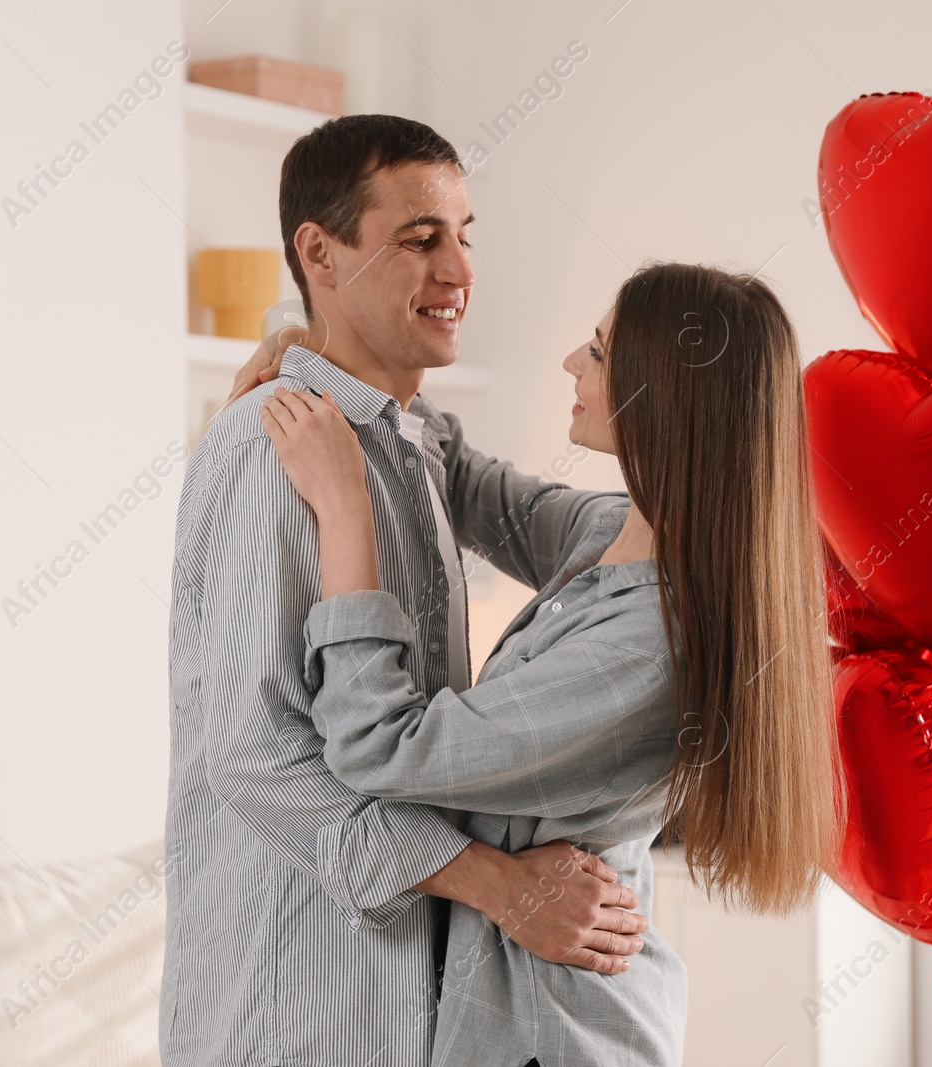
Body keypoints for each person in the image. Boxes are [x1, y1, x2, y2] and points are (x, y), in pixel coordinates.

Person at [254, 261, 847, 1066]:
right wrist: (329, 353)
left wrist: (345, 507)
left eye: (599, 353)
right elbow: (470, 484)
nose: (572, 361)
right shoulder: (613, 531)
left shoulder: (647, 647)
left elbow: (381, 747)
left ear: (660, 398)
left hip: (554, 1032)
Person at [160, 114, 650, 1067]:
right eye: (421, 239)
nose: (459, 272)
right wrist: (502, 887)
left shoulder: (414, 446)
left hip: (411, 1009)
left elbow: (545, 516)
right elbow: (257, 758)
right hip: (293, 1010)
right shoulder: (273, 450)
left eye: (465, 237)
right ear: (320, 253)